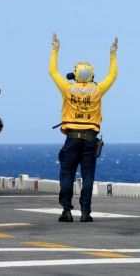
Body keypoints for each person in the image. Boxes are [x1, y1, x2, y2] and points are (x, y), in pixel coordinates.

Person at [49, 33, 118, 223]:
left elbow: (53, 72)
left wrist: (55, 49)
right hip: (90, 139)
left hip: (72, 138)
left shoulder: (67, 88)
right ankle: (86, 213)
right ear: (92, 75)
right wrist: (113, 55)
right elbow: (112, 76)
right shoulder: (97, 90)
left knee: (67, 174)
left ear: (76, 73)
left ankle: (67, 210)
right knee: (88, 176)